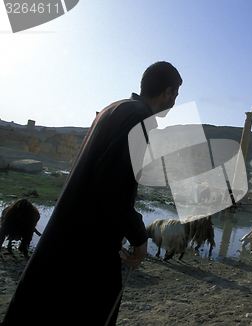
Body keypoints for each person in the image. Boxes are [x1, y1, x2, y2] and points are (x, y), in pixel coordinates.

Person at [1, 62, 182, 325]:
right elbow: (111, 182)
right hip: (88, 245)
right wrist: (138, 235)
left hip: (69, 232)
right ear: (167, 92)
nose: (175, 102)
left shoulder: (113, 109)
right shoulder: (140, 118)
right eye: (175, 95)